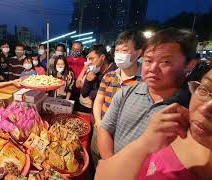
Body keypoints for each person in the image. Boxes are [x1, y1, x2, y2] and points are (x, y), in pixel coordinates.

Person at [97, 28, 197, 162]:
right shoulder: (126, 92)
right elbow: (105, 129)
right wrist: (112, 166)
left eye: (165, 62)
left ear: (189, 65)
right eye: (148, 61)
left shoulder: (193, 109)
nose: (152, 68)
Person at [95, 67, 212, 180]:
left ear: (187, 65)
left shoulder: (179, 109)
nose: (204, 108)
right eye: (205, 89)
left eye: (166, 61)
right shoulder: (178, 124)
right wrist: (145, 143)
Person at [91, 30, 145, 167]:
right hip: (101, 128)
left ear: (138, 53)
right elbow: (99, 99)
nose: (119, 54)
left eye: (125, 50)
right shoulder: (109, 76)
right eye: (117, 50)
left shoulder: (144, 81)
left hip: (125, 138)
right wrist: (98, 122)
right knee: (97, 160)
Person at [76, 45, 117, 113]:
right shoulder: (95, 70)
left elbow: (108, 96)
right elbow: (84, 93)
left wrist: (93, 93)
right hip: (94, 113)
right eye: (88, 59)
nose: (89, 62)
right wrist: (88, 81)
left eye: (92, 59)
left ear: (102, 57)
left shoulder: (114, 71)